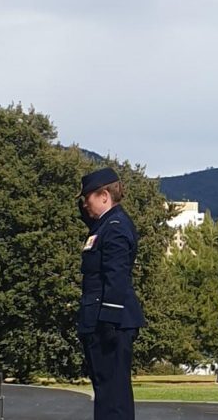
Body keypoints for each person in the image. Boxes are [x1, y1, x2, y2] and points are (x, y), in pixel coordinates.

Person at [76, 167, 145, 420]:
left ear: (104, 195)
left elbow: (116, 277)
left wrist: (108, 321)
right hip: (102, 320)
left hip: (110, 323)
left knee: (113, 396)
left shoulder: (114, 227)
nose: (85, 205)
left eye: (88, 199)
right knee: (106, 392)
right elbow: (87, 218)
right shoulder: (104, 225)